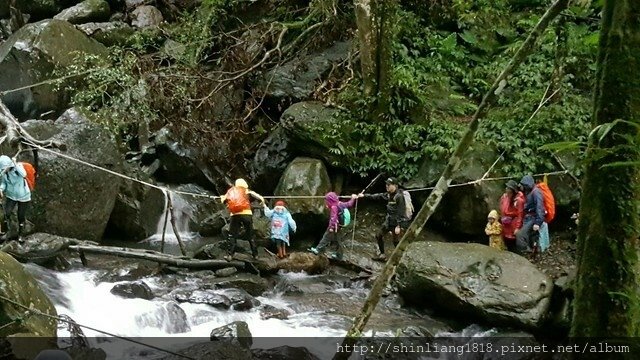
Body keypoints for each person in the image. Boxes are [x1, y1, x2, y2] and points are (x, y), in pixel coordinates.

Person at [362, 177, 409, 261]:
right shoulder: (388, 194)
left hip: (396, 223)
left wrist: (398, 226)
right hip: (388, 220)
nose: (386, 186)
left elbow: (401, 211)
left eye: (389, 185)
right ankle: (382, 255)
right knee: (378, 235)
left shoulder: (399, 197)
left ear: (394, 185)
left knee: (396, 242)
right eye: (386, 184)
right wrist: (364, 196)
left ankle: (402, 259)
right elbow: (377, 196)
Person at [220, 178, 265, 260]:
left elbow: (223, 200)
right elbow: (259, 197)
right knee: (250, 235)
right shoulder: (247, 191)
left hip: (235, 215)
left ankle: (230, 255)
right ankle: (255, 255)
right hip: (247, 214)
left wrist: (222, 197)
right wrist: (262, 201)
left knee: (232, 235)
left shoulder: (231, 191)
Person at [309, 192, 358, 260]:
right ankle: (339, 255)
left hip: (334, 226)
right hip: (339, 226)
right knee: (338, 240)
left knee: (326, 237)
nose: (326, 202)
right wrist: (353, 198)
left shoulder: (334, 207)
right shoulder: (340, 204)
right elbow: (349, 204)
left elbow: (333, 218)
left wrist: (331, 227)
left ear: (330, 201)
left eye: (327, 201)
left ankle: (318, 249)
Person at [0, 155, 31, 242]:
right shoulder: (3, 172)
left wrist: (14, 163)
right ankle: (5, 232)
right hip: (11, 196)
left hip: (23, 196)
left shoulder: (18, 168)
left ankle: (21, 235)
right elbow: (4, 183)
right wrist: (1, 189)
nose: (4, 169)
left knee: (21, 216)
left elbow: (24, 174)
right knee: (6, 214)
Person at [515, 175, 545, 254]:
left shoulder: (536, 192)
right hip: (528, 217)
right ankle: (532, 253)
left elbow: (540, 207)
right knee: (529, 237)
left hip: (533, 218)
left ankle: (526, 253)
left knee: (520, 235)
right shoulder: (529, 192)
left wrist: (538, 222)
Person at [499, 179, 525, 251]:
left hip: (513, 223)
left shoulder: (518, 200)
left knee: (513, 244)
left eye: (508, 188)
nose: (506, 189)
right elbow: (501, 208)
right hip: (505, 223)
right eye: (506, 188)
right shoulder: (504, 197)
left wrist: (517, 227)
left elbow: (520, 215)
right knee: (506, 241)